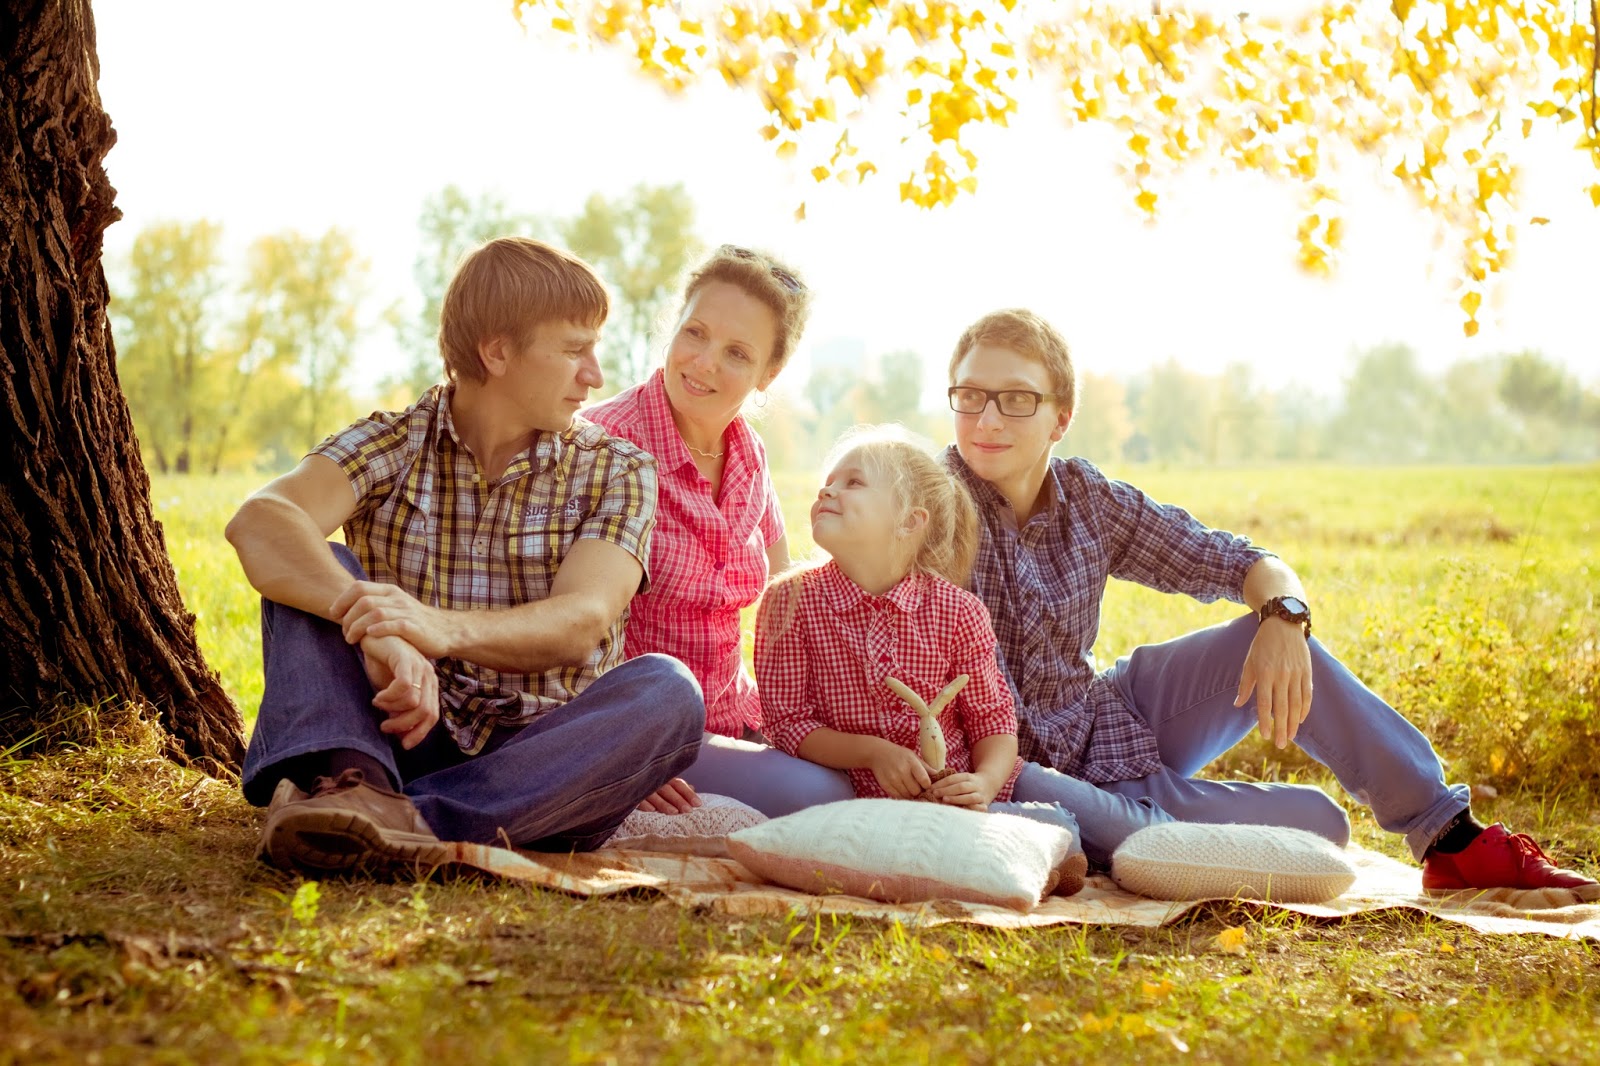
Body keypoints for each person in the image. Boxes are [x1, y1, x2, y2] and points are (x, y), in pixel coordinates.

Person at [942, 307, 1599, 899]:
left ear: (1062, 417)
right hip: (1031, 769)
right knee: (1319, 825)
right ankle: (1122, 832)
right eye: (970, 397)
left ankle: (1448, 834)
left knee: (1269, 635)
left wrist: (1285, 619)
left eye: (1016, 399)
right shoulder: (928, 502)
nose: (988, 419)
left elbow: (1240, 560)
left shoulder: (1090, 500)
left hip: (1110, 711)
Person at [226, 237, 704, 877]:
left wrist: (435, 628)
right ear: (498, 351)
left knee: (669, 690)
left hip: (540, 763)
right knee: (318, 566)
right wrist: (380, 629)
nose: (594, 373)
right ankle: (353, 788)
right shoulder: (395, 441)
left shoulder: (615, 469)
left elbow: (582, 619)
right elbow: (260, 520)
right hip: (401, 733)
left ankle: (394, 820)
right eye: (573, 349)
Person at [755, 425, 1185, 871]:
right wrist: (872, 752)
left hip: (983, 785)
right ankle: (1048, 840)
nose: (828, 491)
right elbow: (787, 723)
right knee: (1020, 831)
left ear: (910, 522)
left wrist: (982, 783)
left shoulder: (959, 611)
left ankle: (1164, 841)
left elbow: (994, 724)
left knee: (1130, 833)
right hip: (869, 799)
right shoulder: (790, 602)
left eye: (854, 482)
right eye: (828, 482)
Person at [586, 245, 854, 817]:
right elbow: (559, 620)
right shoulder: (601, 445)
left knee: (868, 762)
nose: (704, 362)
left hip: (738, 713)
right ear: (675, 326)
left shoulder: (748, 454)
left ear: (769, 373)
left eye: (736, 352)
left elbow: (787, 603)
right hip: (647, 726)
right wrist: (617, 747)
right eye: (696, 333)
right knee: (826, 797)